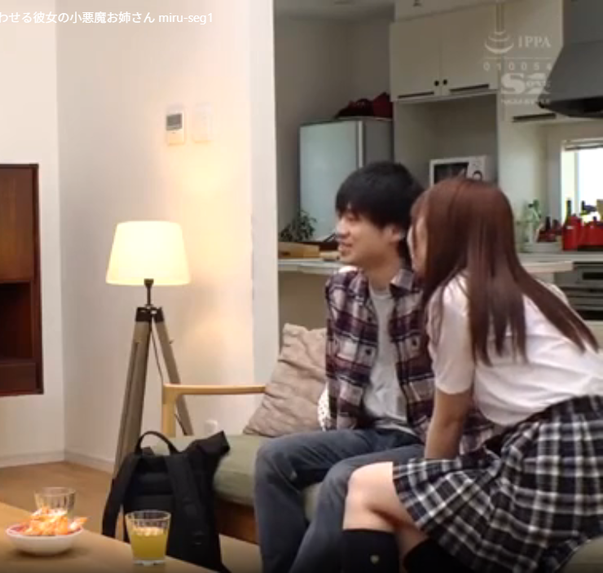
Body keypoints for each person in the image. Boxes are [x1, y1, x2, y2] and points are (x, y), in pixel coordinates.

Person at [340, 178, 603, 573]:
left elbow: (449, 418)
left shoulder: (454, 296)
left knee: (365, 486)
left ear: (444, 235)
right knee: (408, 516)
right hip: (590, 465)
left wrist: (428, 480)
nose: (411, 239)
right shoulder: (546, 294)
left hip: (547, 460)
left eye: (418, 227)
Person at [253, 162, 495, 573]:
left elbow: (458, 405)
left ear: (395, 230)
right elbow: (338, 374)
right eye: (340, 217)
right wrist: (334, 436)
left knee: (344, 478)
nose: (340, 230)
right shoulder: (341, 288)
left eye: (353, 219)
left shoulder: (437, 295)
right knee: (273, 458)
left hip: (424, 439)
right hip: (368, 432)